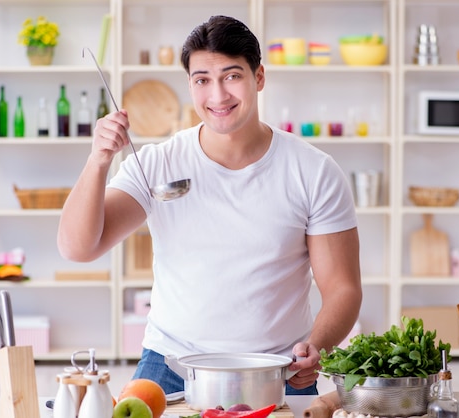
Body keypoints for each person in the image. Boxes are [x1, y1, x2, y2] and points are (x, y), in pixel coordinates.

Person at [57, 15, 362, 395]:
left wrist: (316, 347)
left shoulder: (314, 170)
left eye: (232, 76)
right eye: (203, 80)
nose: (217, 96)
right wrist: (98, 161)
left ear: (259, 77)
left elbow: (343, 289)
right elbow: (77, 247)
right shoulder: (157, 163)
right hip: (171, 363)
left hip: (279, 369)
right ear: (190, 85)